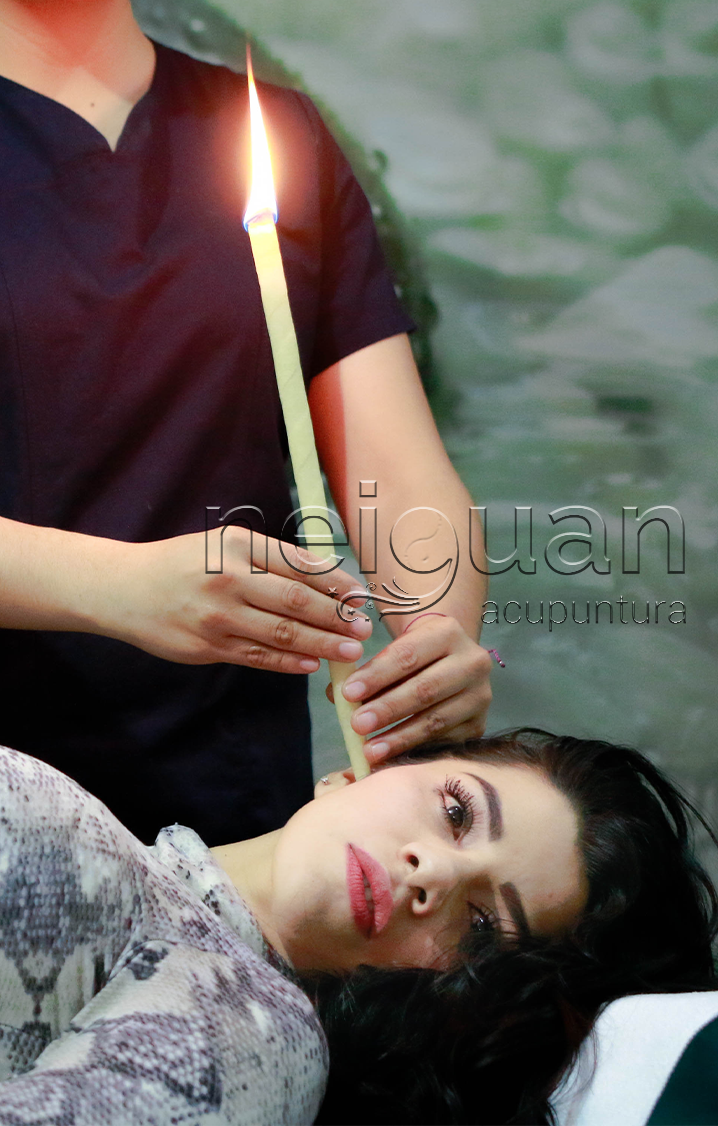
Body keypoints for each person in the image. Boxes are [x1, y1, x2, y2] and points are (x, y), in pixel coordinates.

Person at [0, 0, 492, 847]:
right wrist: (114, 586)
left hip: (241, 805)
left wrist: (437, 645)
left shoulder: (271, 130)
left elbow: (398, 469)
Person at [0, 729, 715, 1125]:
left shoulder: (258, 1038)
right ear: (359, 768)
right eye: (458, 812)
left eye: (481, 927)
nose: (433, 873)